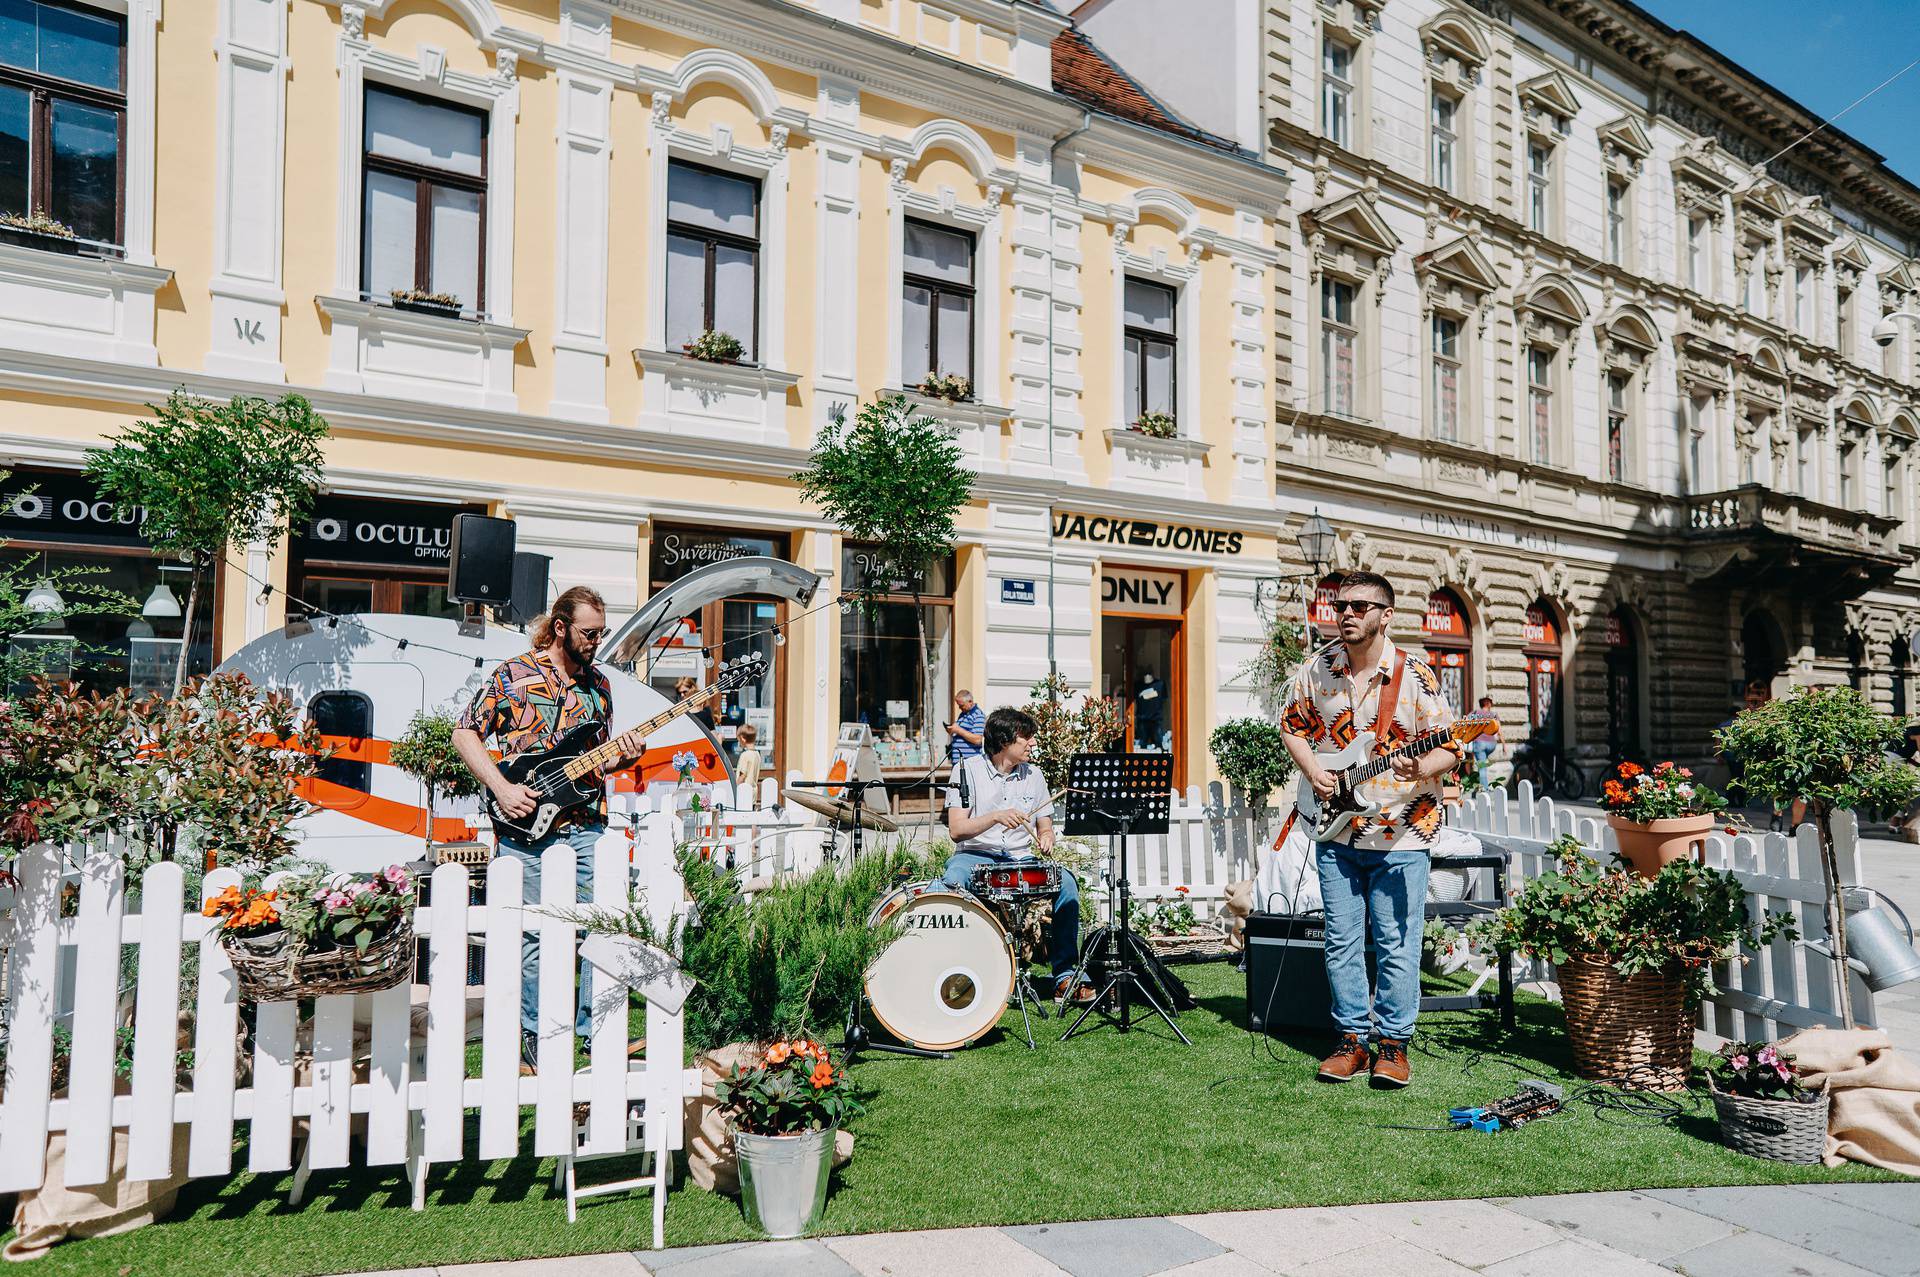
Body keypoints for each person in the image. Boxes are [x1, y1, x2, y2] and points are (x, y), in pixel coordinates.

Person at [1281, 570, 1461, 1089]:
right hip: (1336, 831)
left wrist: (1424, 768)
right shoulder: (1318, 668)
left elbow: (1454, 744)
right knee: (1341, 941)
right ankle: (1352, 1040)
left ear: (1386, 614)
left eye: (1361, 606)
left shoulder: (1417, 676)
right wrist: (1314, 772)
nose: (1348, 614)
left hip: (1401, 834)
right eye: (1342, 605)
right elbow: (1292, 725)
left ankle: (1393, 1045)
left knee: (1396, 943)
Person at [453, 585, 633, 1073]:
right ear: (561, 627)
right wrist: (501, 788)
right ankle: (534, 1039)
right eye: (589, 633)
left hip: (586, 825)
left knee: (604, 927)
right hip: (525, 828)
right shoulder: (513, 675)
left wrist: (622, 757)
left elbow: (592, 762)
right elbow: (465, 731)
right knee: (535, 935)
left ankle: (597, 1033)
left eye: (602, 633)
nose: (597, 641)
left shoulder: (600, 686)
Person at [939, 706, 1093, 1005]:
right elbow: (957, 830)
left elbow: (1044, 823)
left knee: (1068, 885)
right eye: (1026, 738)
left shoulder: (1034, 775)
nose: (1033, 743)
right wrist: (995, 816)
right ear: (1004, 741)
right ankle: (956, 971)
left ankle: (1065, 976)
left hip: (1020, 859)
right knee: (951, 882)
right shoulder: (965, 771)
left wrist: (1046, 836)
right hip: (975, 856)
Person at [1468, 694, 1502, 785]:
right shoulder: (1493, 715)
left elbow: (1465, 722)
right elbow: (1499, 731)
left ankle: (1484, 789)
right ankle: (1483, 787)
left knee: (1482, 767)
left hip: (1479, 743)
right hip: (1491, 745)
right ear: (1488, 704)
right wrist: (1504, 745)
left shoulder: (1475, 713)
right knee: (1483, 764)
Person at [945, 689, 985, 764]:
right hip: (959, 761)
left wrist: (958, 730)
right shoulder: (963, 714)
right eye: (958, 705)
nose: (960, 708)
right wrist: (952, 731)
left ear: (970, 701)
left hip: (969, 762)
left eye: (961, 705)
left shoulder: (978, 715)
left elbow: (978, 740)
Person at [734, 722, 763, 807]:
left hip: (744, 792)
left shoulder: (745, 755)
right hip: (753, 792)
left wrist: (735, 787)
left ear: (742, 738)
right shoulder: (757, 754)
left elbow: (742, 776)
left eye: (738, 740)